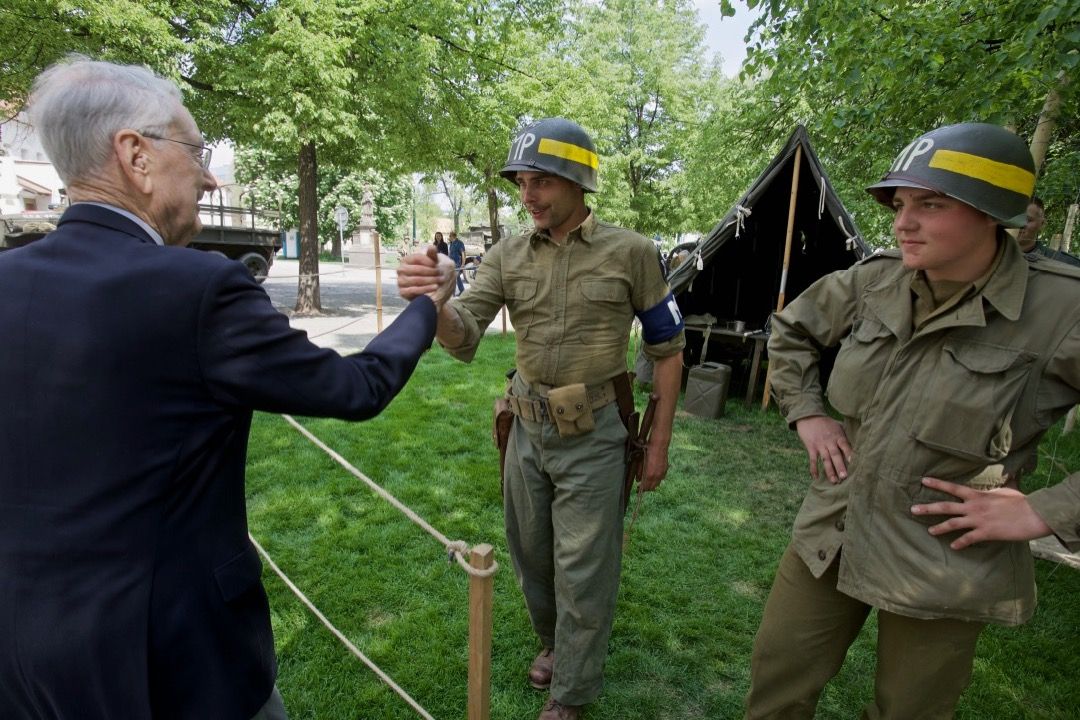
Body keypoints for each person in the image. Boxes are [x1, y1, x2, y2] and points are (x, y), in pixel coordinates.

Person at [0, 56, 450, 720]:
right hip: (174, 662)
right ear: (135, 155)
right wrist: (427, 307)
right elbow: (356, 385)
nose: (210, 177)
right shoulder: (197, 287)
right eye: (196, 151)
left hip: (23, 652)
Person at [745, 122, 1080, 719]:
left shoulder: (1061, 308)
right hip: (835, 526)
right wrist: (808, 414)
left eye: (931, 204)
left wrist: (1041, 511)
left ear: (990, 214)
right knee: (777, 682)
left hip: (945, 557)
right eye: (901, 204)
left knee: (910, 712)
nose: (904, 222)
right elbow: (792, 330)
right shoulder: (877, 280)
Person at [397, 118, 685, 720]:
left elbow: (668, 348)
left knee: (584, 564)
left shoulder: (631, 253)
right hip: (526, 430)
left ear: (579, 182)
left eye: (541, 181)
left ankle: (572, 692)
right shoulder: (507, 253)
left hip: (596, 435)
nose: (527, 195)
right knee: (531, 554)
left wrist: (657, 446)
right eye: (522, 181)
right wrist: (438, 305)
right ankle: (556, 643)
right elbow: (467, 333)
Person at [1016, 196, 1080, 267]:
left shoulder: (1059, 261)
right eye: (1014, 218)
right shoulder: (1002, 255)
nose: (1019, 224)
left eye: (1028, 220)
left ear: (1042, 223)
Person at [448, 230, 467, 295]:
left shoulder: (459, 243)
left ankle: (457, 291)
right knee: (456, 277)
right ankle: (461, 291)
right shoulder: (451, 243)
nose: (449, 237)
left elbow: (463, 253)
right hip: (451, 263)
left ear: (453, 236)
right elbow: (450, 253)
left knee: (455, 277)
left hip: (457, 263)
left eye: (450, 236)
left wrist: (463, 264)